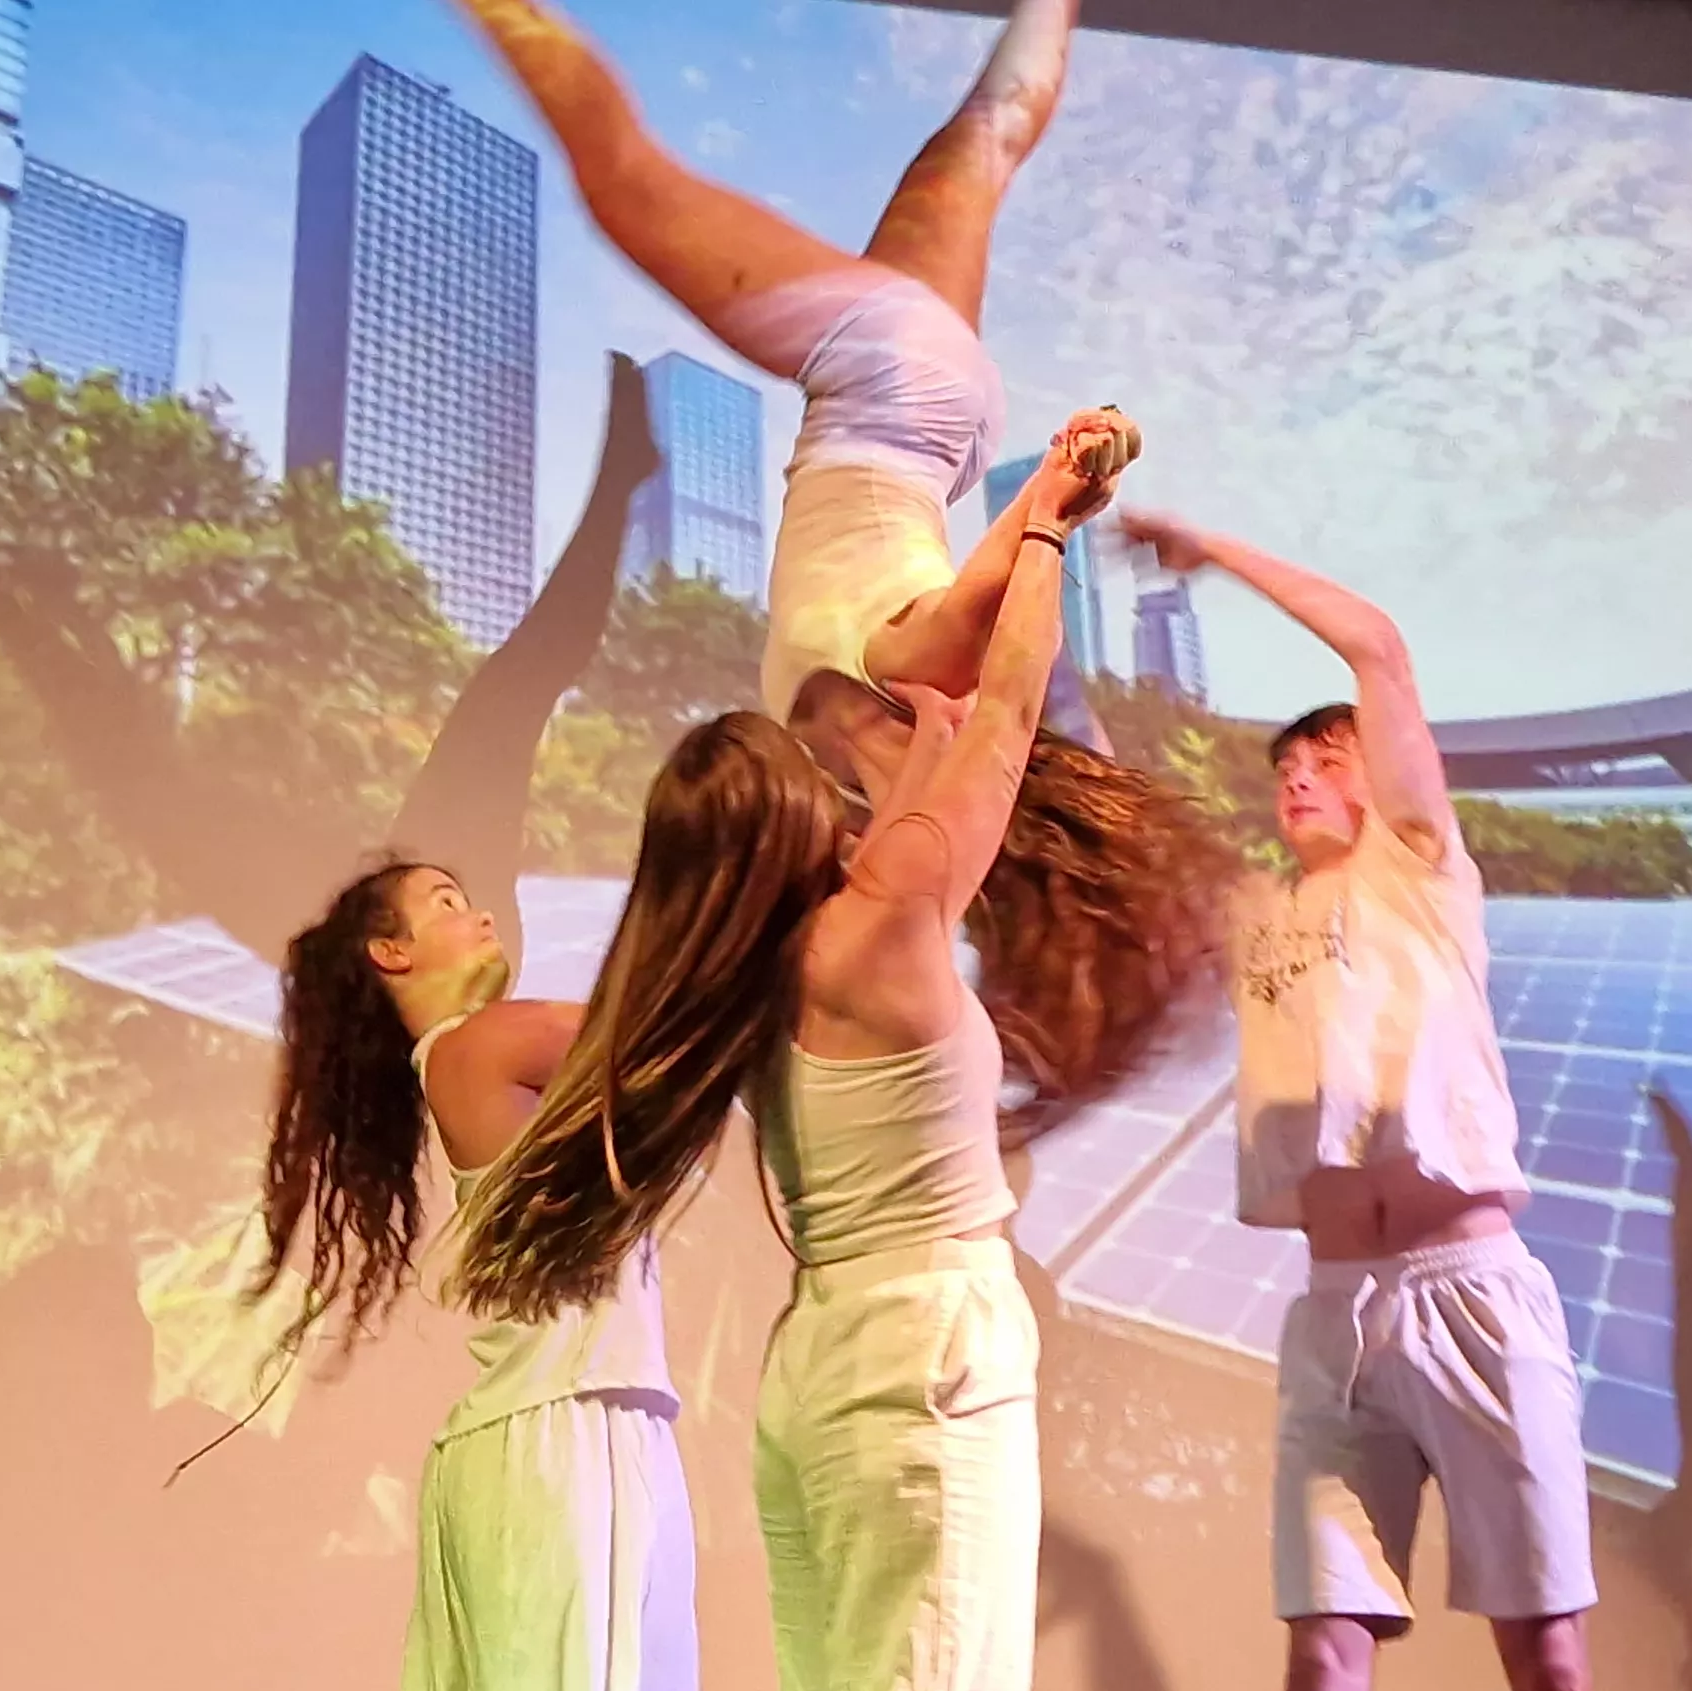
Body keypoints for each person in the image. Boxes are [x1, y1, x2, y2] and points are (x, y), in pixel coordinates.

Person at [457, 424, 1117, 1691]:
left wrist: (1010, 532)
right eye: (832, 752)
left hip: (832, 1372)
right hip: (923, 1368)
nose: (866, 741)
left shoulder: (750, 958)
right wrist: (1043, 529)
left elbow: (930, 703)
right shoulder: (879, 913)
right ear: (808, 817)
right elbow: (995, 707)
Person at [1111, 509, 1655, 1691]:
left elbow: (1378, 645)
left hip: (1477, 1298)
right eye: (1286, 768)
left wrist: (1203, 544)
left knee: (1549, 1664)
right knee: (1323, 1659)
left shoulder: (1418, 869)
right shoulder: (1270, 918)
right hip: (1337, 1318)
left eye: (1324, 758)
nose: (1301, 776)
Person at [452, 0, 1226, 1140]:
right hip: (888, 383)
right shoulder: (907, 676)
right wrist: (1064, 484)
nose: (859, 856)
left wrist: (1074, 469)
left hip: (940, 427)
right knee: (620, 178)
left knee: (987, 134)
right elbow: (978, 629)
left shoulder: (862, 771)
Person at [258, 861, 761, 1691]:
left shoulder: (473, 1059)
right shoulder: (488, 1039)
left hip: (517, 1455)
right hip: (572, 1441)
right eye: (441, 899)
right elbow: (679, 1029)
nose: (475, 908)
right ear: (388, 951)